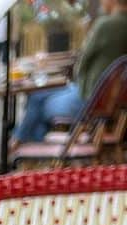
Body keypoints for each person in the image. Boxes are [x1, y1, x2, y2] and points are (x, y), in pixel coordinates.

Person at [12, 0, 127, 144]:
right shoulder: (119, 23)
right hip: (105, 98)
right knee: (37, 96)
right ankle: (24, 143)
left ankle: (22, 145)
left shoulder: (107, 25)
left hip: (90, 100)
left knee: (38, 103)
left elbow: (82, 63)